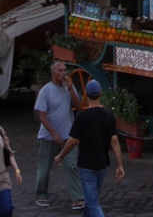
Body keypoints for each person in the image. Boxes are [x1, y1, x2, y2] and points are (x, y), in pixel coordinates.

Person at [54, 79, 124, 217]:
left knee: (92, 203)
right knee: (91, 198)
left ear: (86, 93)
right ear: (101, 94)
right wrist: (120, 165)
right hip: (103, 164)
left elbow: (73, 141)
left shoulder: (82, 117)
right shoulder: (109, 116)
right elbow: (114, 141)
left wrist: (60, 155)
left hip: (87, 166)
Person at [34, 60, 85, 209]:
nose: (63, 73)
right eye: (60, 71)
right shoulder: (45, 91)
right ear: (53, 73)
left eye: (64, 70)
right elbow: (41, 116)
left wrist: (70, 90)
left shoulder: (69, 87)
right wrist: (53, 133)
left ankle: (78, 198)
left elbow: (79, 106)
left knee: (72, 166)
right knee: (44, 167)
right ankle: (41, 195)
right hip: (48, 137)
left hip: (67, 136)